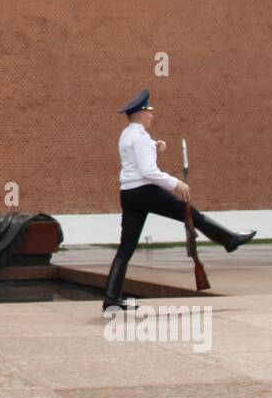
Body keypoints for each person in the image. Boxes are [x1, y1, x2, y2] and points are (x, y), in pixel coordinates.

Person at [102, 89, 255, 311]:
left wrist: (155, 146)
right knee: (191, 214)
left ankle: (111, 298)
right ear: (141, 114)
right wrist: (176, 184)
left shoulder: (128, 134)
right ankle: (230, 240)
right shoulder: (141, 137)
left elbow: (136, 156)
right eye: (149, 112)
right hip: (146, 192)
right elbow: (148, 171)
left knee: (126, 247)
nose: (152, 115)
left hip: (129, 193)